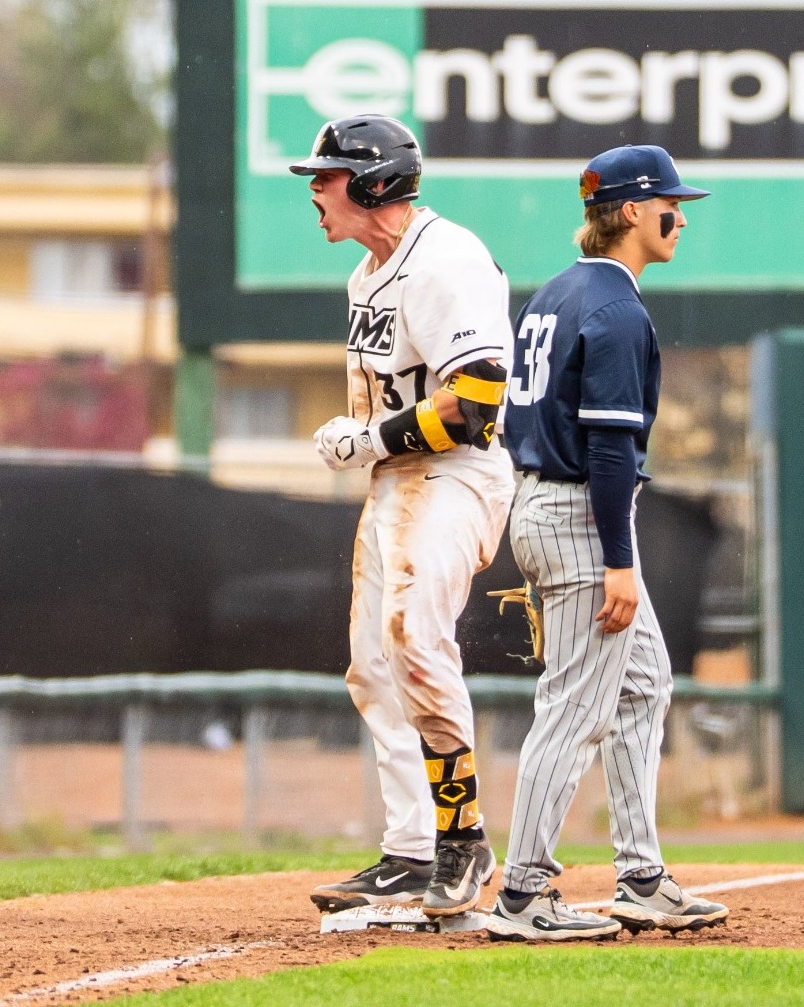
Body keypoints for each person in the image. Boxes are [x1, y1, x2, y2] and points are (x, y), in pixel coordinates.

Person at [485, 145, 731, 940]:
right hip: (577, 518)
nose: (679, 216)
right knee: (572, 710)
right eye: (668, 204)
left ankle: (640, 876)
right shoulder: (618, 309)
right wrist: (620, 560)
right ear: (630, 211)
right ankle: (522, 891)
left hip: (541, 501)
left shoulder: (558, 290)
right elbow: (610, 451)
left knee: (643, 682)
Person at [293, 114, 514, 917]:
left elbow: (479, 401)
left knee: (415, 639)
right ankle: (410, 848)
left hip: (455, 472)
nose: (315, 189)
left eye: (327, 175)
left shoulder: (445, 258)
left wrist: (370, 438)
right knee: (371, 662)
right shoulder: (365, 273)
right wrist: (369, 444)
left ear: (373, 181)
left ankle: (463, 839)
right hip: (398, 476)